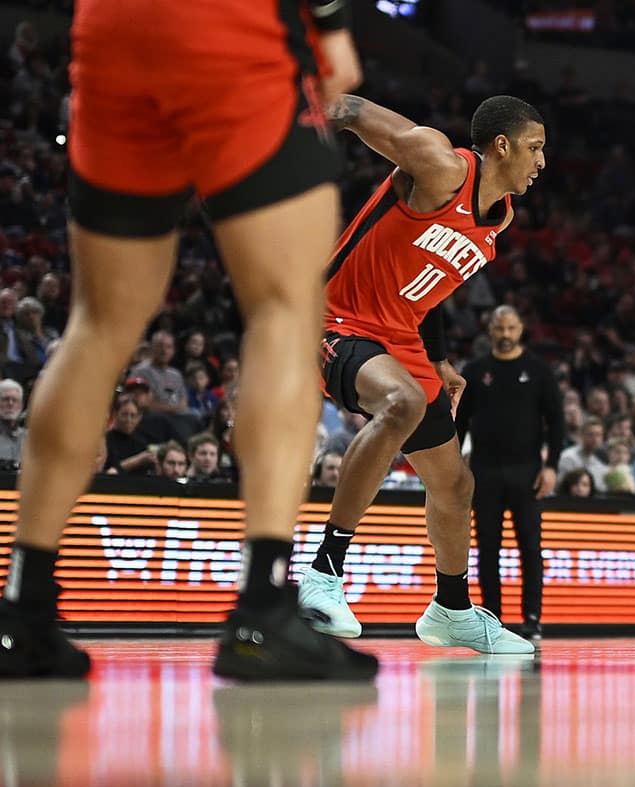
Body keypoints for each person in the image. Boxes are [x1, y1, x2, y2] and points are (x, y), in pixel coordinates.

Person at [0, 0, 375, 680]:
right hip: (229, 27)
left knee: (97, 323)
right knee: (285, 312)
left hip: (113, 28)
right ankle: (264, 609)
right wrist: (333, 23)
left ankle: (23, 611)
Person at [298, 93, 545, 655]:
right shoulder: (441, 166)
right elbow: (352, 109)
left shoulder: (497, 218)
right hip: (335, 318)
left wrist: (436, 358)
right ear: (501, 146)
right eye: (535, 148)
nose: (541, 162)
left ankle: (451, 610)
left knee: (455, 484)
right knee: (402, 405)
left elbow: (427, 285)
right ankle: (322, 575)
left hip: (402, 336)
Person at [455, 305, 564, 640]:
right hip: (484, 471)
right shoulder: (474, 371)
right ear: (490, 331)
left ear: (521, 330)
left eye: (511, 329)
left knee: (531, 546)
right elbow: (459, 422)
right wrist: (455, 463)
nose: (505, 335)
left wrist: (551, 467)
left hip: (528, 471)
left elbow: (556, 421)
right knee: (487, 547)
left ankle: (532, 618)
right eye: (499, 329)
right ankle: (492, 617)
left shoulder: (538, 370)